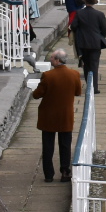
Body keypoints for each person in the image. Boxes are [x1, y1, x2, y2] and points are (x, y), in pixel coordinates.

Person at [31, 48, 82, 183]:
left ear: (58, 60)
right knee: (65, 146)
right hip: (66, 116)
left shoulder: (48, 76)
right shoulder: (74, 74)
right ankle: (65, 172)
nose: (50, 59)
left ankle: (49, 175)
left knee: (48, 147)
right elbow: (78, 92)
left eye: (52, 58)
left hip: (49, 116)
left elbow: (37, 94)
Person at [72, 0, 106, 89]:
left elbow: (73, 26)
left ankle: (89, 85)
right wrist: (100, 37)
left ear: (85, 2)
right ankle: (94, 87)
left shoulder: (79, 13)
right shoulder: (99, 14)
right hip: (95, 42)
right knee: (94, 65)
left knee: (86, 65)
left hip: (83, 42)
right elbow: (104, 29)